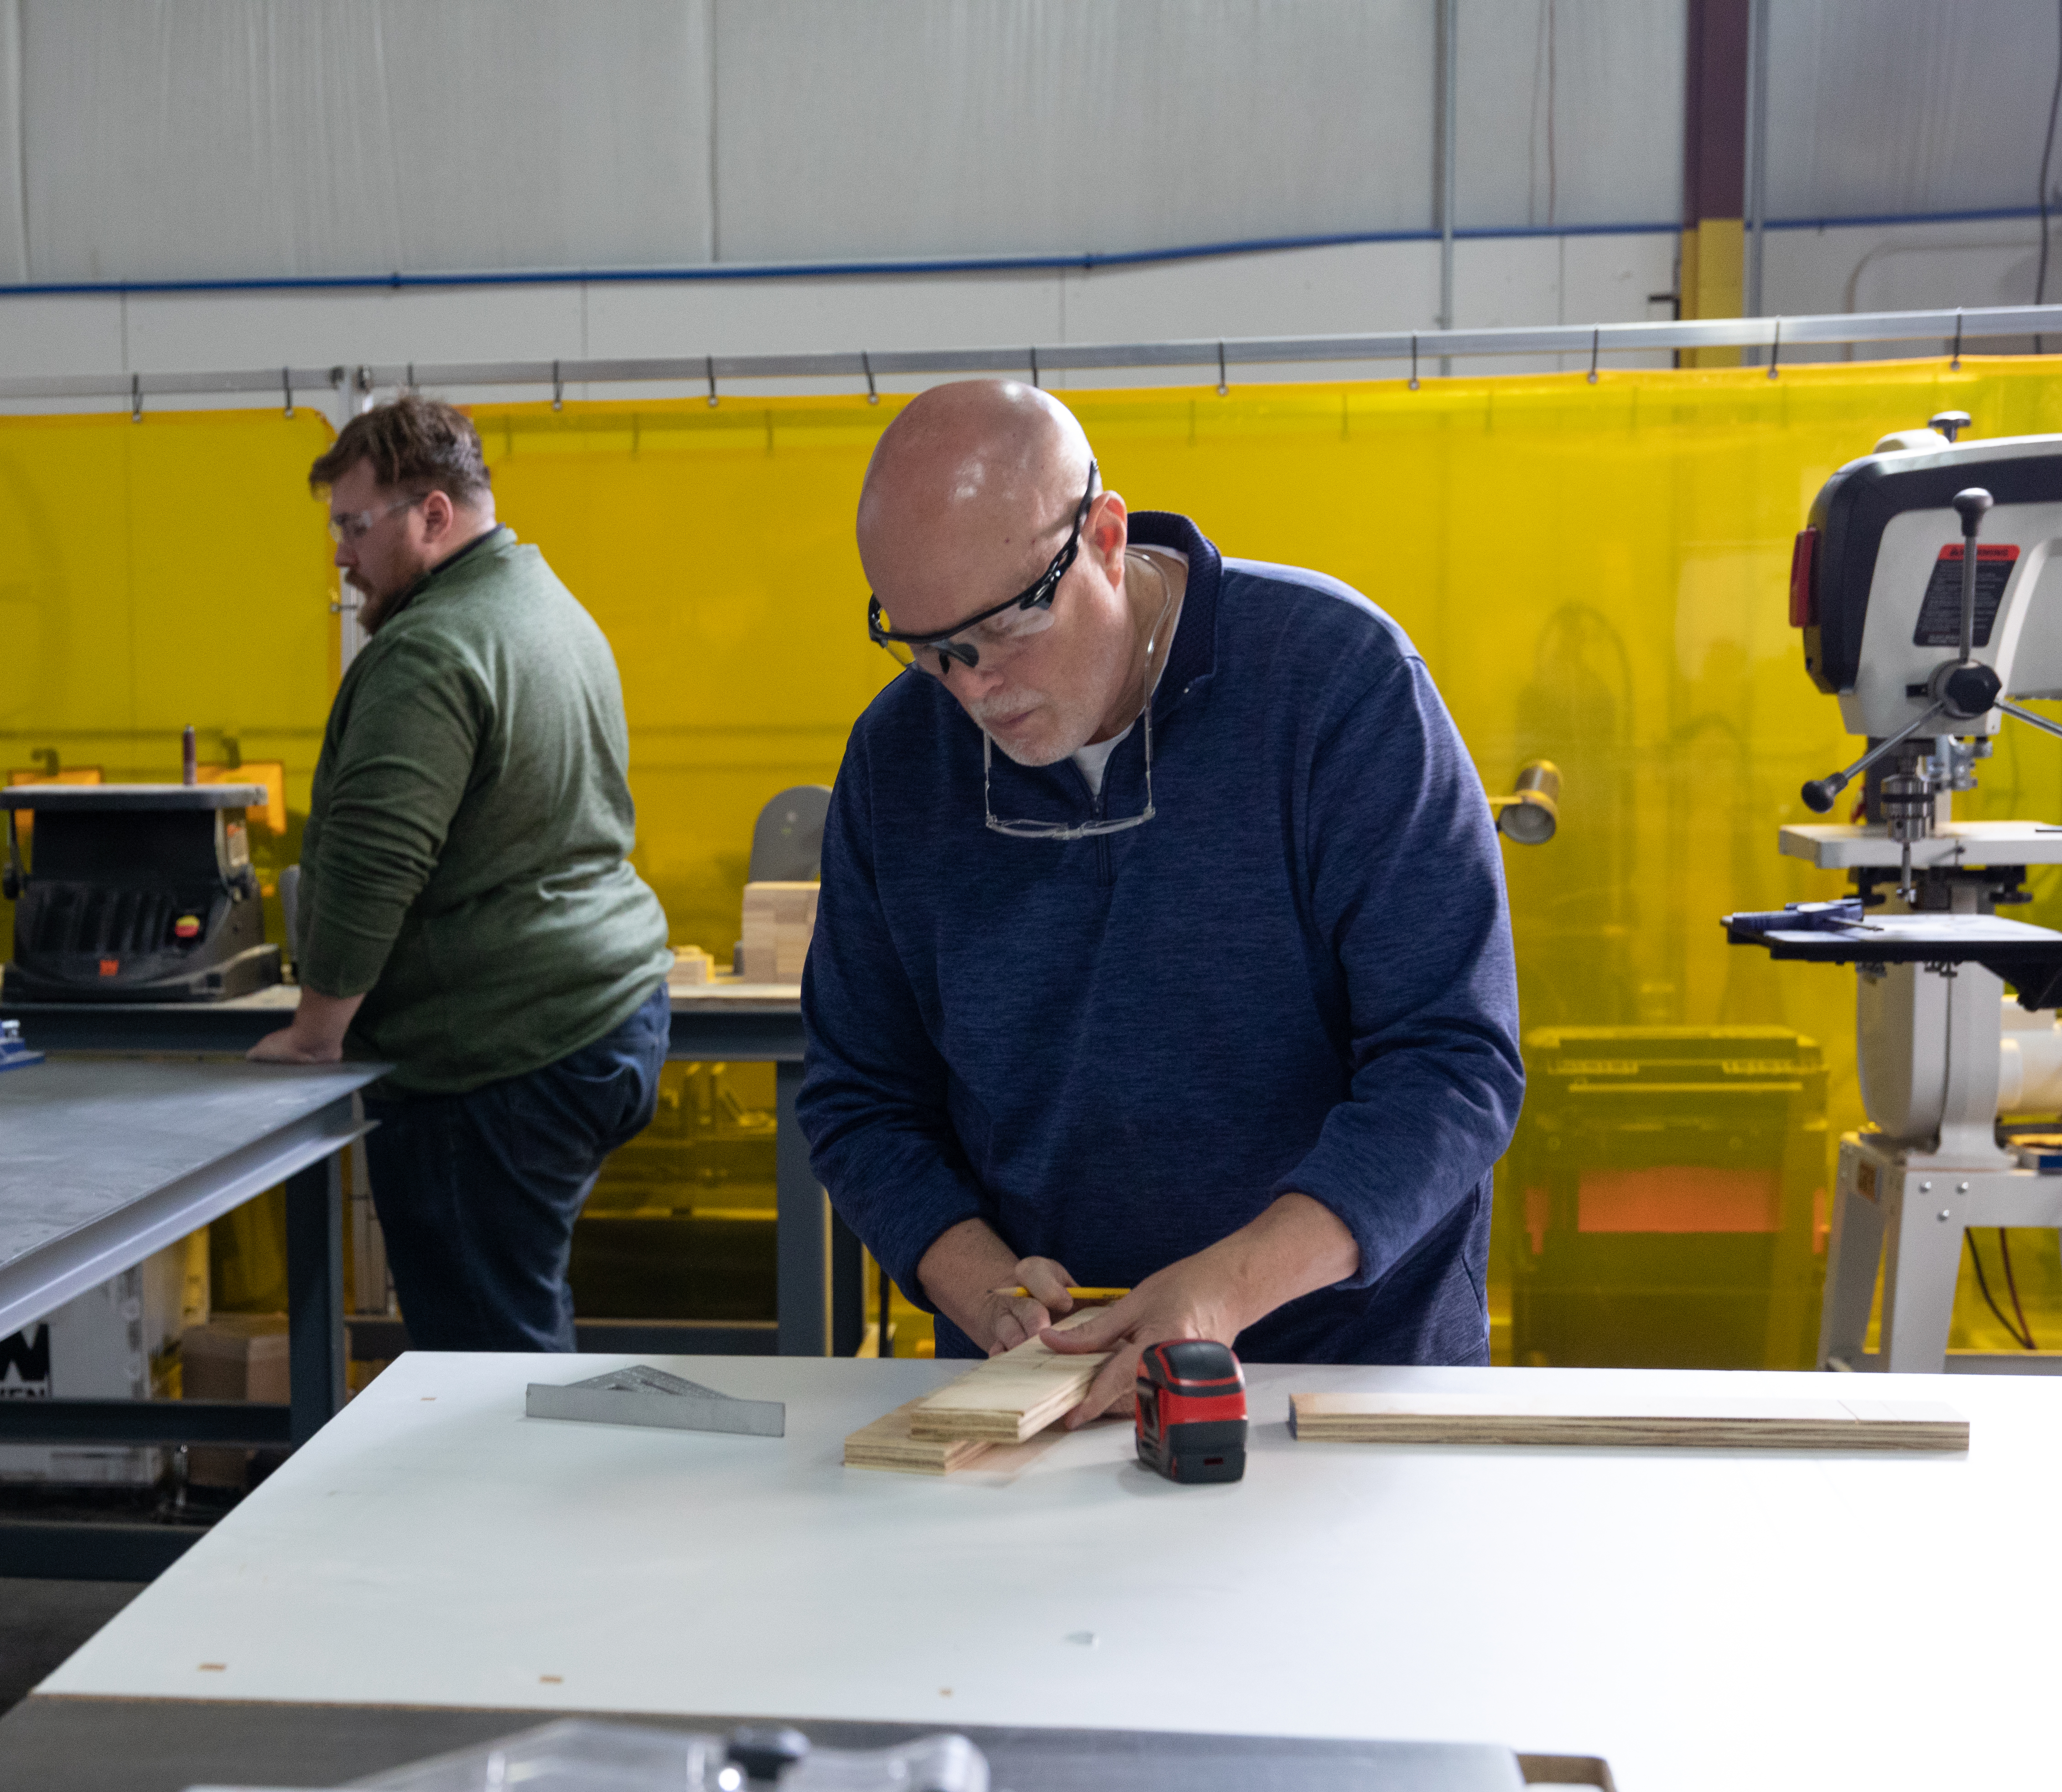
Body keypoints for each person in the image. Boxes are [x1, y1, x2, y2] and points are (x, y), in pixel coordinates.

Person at [800, 379, 1519, 1418]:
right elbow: (862, 1097)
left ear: (1102, 534)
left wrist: (1222, 1292)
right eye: (931, 649)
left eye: (1005, 629)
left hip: (1347, 1378)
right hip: (1046, 1392)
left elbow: (1454, 1064)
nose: (974, 689)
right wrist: (988, 1292)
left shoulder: (1336, 686)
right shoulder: (900, 757)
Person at [250, 396, 674, 1353]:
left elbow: (374, 860)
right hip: (608, 1011)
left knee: (490, 1362)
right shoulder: (544, 603)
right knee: (518, 1318)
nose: (341, 556)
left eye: (356, 528)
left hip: (498, 1056)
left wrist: (317, 1035)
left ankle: (530, 1505)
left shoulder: (430, 648)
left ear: (433, 516)